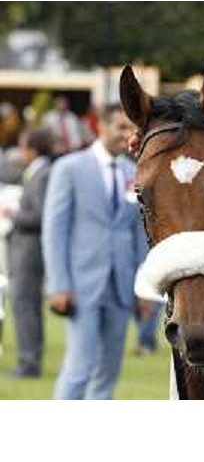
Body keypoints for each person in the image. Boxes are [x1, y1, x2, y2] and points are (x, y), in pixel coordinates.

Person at [42, 105, 147, 399]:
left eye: (131, 129)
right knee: (79, 368)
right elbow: (55, 230)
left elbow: (139, 232)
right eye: (120, 127)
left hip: (122, 285)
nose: (127, 135)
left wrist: (144, 288)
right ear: (100, 126)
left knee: (108, 371)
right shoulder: (69, 168)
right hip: (81, 284)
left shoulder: (134, 172)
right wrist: (59, 285)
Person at [1, 128, 53, 377]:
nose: (20, 152)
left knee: (24, 306)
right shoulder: (33, 172)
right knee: (27, 305)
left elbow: (42, 216)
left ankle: (28, 362)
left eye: (23, 146)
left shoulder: (42, 174)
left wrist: (12, 214)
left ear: (33, 148)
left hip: (29, 250)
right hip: (24, 248)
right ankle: (30, 359)